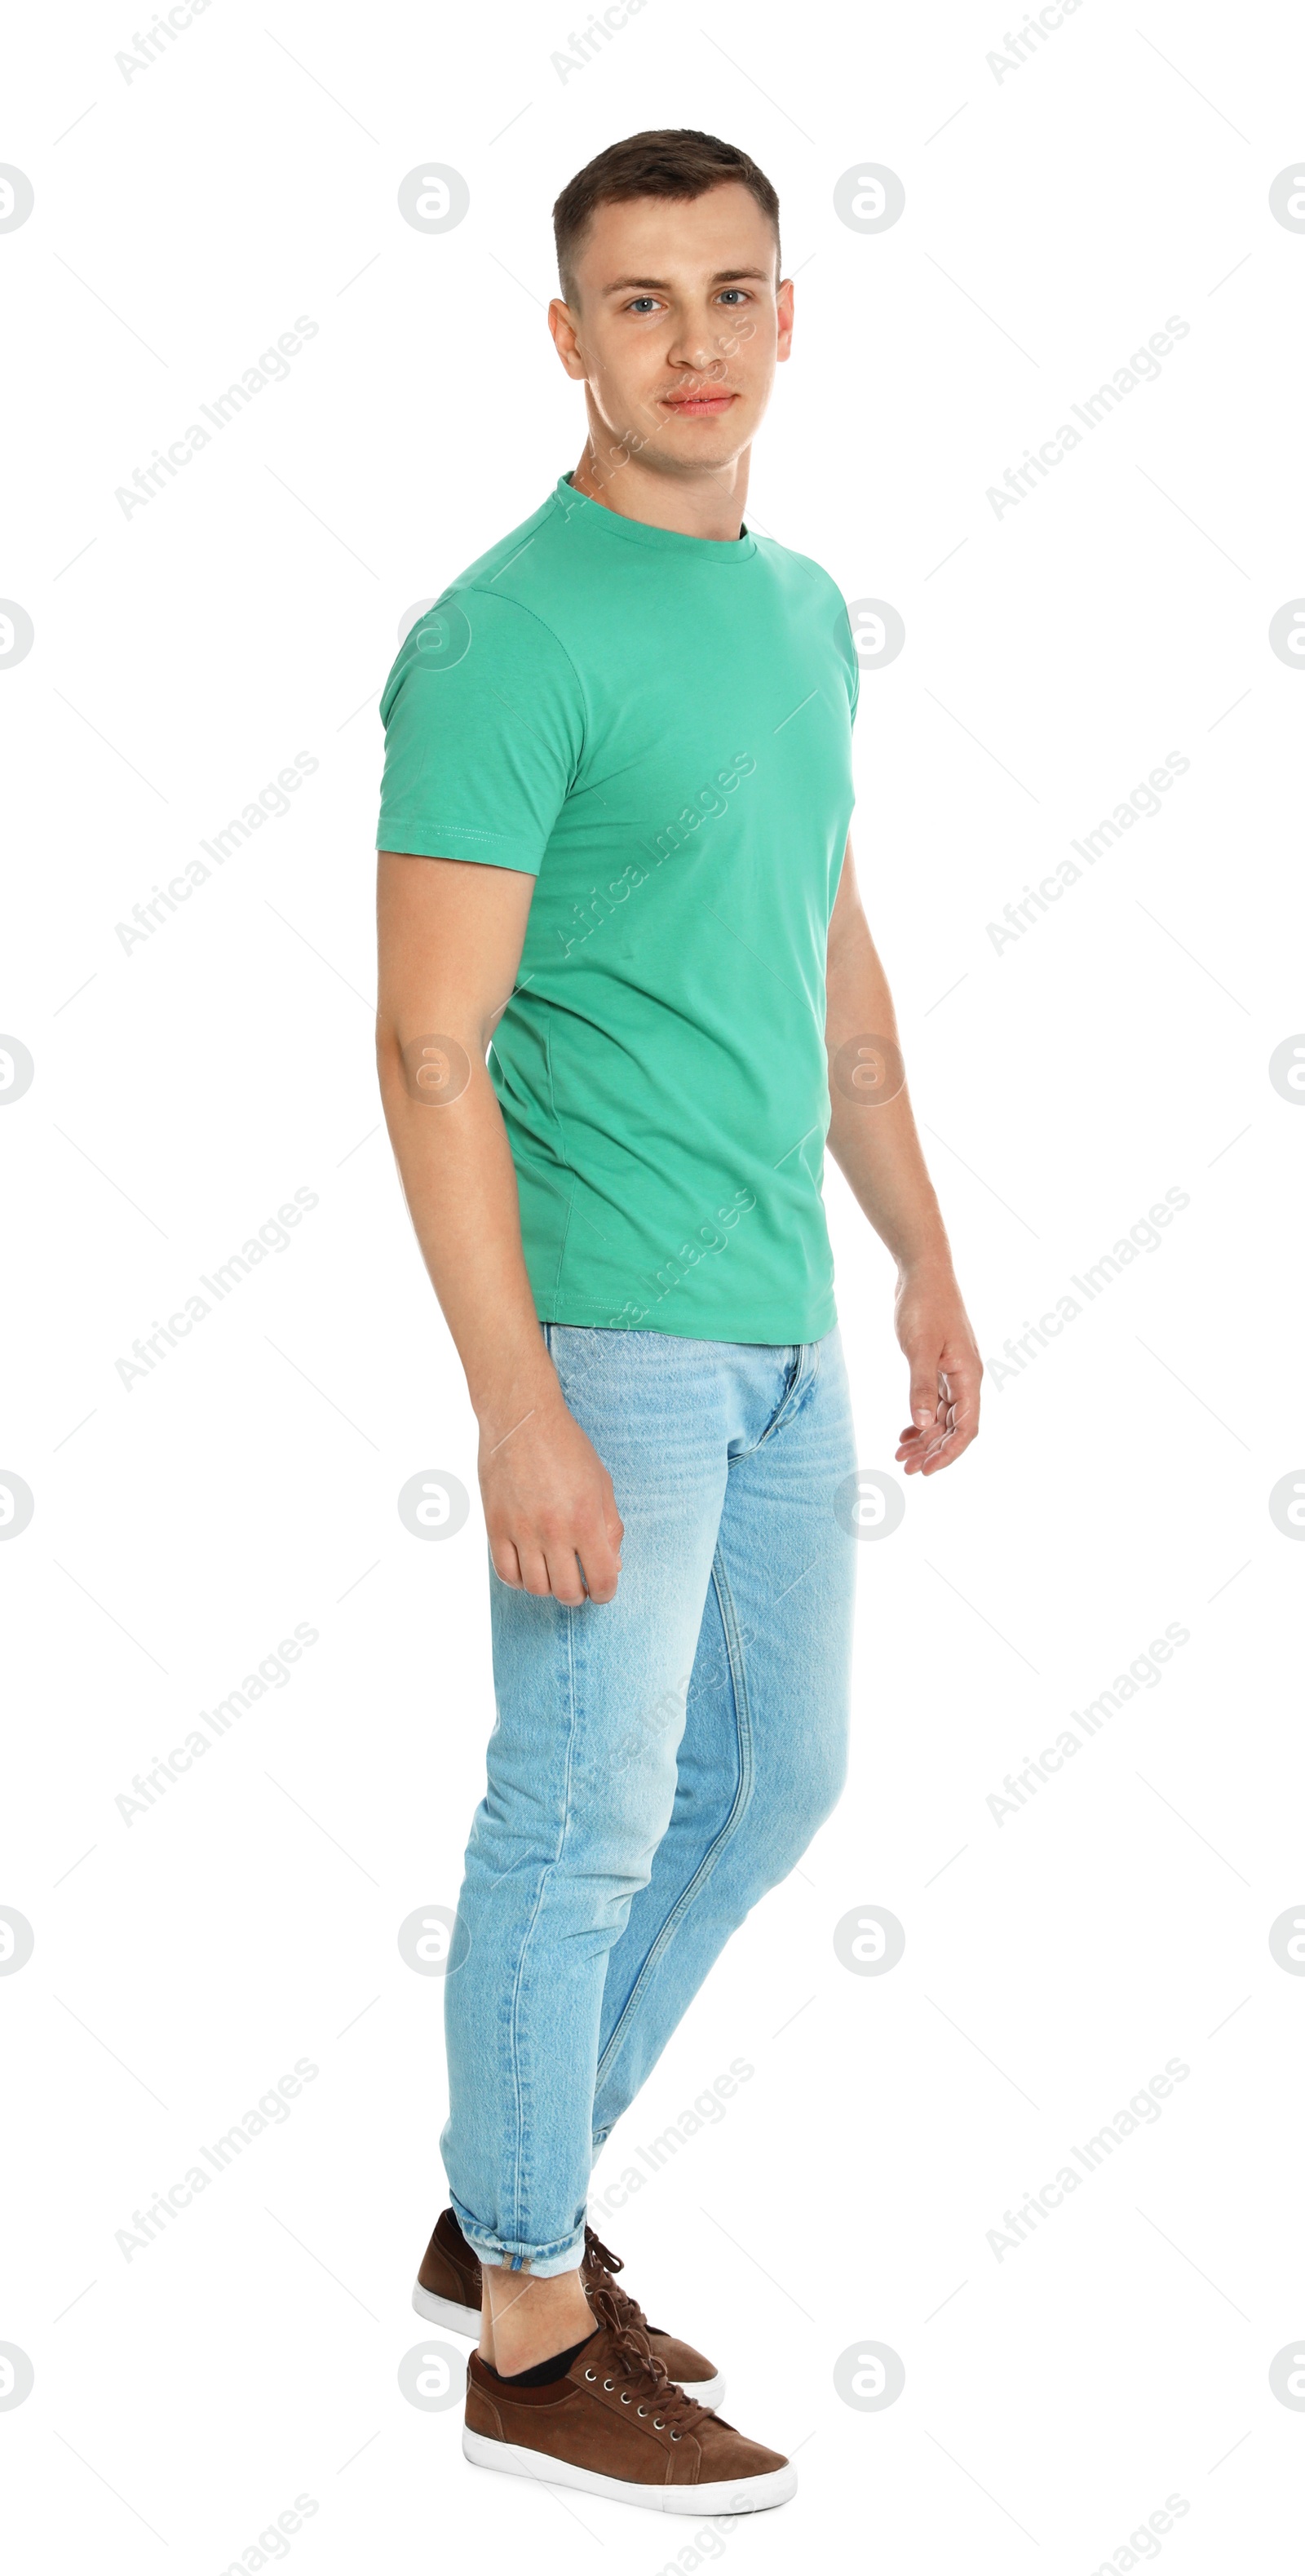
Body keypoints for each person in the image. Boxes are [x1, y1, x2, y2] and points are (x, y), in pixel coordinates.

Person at [374, 126, 981, 2515]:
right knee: (583, 1814)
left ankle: (502, 2203)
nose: (696, 344)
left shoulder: (807, 607)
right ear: (565, 339)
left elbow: (824, 954)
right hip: (609, 1334)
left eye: (734, 294)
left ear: (788, 317)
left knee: (772, 1786)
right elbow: (430, 1050)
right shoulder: (507, 635)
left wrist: (923, 1250)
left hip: (789, 1326)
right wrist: (515, 1407)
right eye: (641, 303)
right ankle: (529, 2332)